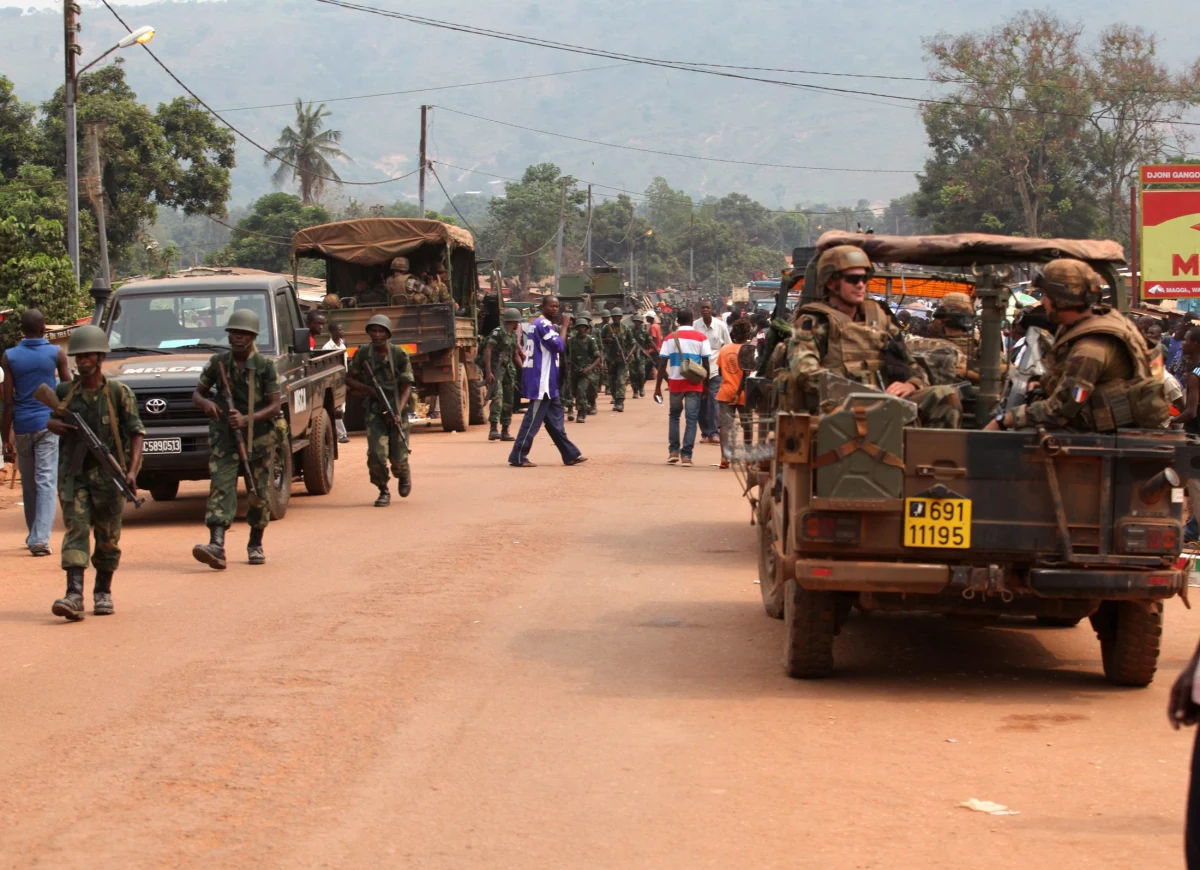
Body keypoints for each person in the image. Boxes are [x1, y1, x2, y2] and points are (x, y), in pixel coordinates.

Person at [782, 245, 961, 428]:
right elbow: (805, 373)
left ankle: (931, 455)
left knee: (945, 395)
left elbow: (912, 365)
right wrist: (865, 393)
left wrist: (911, 385)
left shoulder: (879, 319)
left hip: (887, 402)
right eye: (852, 279)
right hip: (840, 407)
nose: (860, 284)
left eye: (864, 278)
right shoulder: (814, 322)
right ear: (831, 283)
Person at [987, 259, 1169, 432]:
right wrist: (1043, 385)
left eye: (1046, 296)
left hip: (1096, 439)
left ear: (1060, 300)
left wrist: (1006, 419)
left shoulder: (1090, 350)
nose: (1043, 303)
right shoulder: (1086, 324)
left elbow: (1059, 411)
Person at [46, 326, 145, 620]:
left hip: (109, 476)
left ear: (100, 357)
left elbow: (137, 433)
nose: (82, 361)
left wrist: (131, 471)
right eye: (78, 356)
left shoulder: (118, 393)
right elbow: (51, 420)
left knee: (107, 537)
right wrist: (58, 427)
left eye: (88, 356)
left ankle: (103, 591)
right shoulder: (65, 391)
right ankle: (73, 594)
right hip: (74, 475)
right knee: (76, 529)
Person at [190, 309, 283, 569]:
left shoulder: (265, 367)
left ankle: (255, 542)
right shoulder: (218, 362)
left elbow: (275, 406)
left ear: (253, 336)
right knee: (221, 486)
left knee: (258, 490)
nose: (238, 337)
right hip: (225, 436)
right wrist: (207, 403)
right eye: (234, 332)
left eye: (244, 333)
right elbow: (197, 394)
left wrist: (246, 419)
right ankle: (217, 545)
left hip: (259, 436)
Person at [1, 309, 70, 556]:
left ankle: (35, 534)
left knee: (29, 484)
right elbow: (67, 390)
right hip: (48, 425)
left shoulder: (10, 356)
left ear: (22, 330)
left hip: (21, 426)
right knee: (46, 481)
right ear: (43, 330)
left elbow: (7, 400)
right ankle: (39, 538)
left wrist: (3, 438)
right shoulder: (56, 353)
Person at [507, 296, 585, 468]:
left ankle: (570, 454)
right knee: (532, 420)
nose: (555, 309)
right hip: (541, 381)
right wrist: (564, 326)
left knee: (555, 421)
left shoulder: (540, 325)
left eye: (557, 306)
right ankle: (518, 455)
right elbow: (559, 346)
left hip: (550, 383)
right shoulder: (542, 324)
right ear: (543, 307)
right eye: (552, 306)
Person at [345, 314, 415, 506]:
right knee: (376, 453)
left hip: (396, 406)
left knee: (399, 456)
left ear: (387, 333)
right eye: (373, 331)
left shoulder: (399, 354)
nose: (376, 335)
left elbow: (407, 385)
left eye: (380, 331)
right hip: (375, 410)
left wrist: (398, 412)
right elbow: (348, 378)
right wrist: (367, 389)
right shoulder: (363, 354)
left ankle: (403, 473)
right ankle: (383, 489)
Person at [654, 309, 713, 467]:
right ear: (692, 319)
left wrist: (658, 387)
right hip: (695, 383)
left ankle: (673, 452)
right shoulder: (701, 337)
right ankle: (686, 455)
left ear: (678, 321)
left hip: (675, 383)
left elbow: (661, 365)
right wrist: (706, 386)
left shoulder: (669, 338)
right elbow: (706, 363)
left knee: (674, 417)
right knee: (691, 419)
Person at [715, 319, 754, 470]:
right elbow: (746, 373)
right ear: (747, 333)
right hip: (744, 392)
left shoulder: (724, 349)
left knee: (725, 426)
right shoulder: (749, 349)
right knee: (747, 425)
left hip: (725, 391)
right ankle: (749, 458)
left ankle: (725, 457)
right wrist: (738, 392)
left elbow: (719, 372)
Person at [695, 299, 732, 444]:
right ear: (700, 310)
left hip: (715, 370)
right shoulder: (695, 325)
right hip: (698, 370)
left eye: (707, 308)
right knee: (701, 403)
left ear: (712, 310)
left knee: (714, 402)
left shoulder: (721, 326)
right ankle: (705, 432)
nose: (705, 310)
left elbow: (727, 346)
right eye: (703, 308)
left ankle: (714, 432)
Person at [483, 307, 522, 441]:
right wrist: (488, 372)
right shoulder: (498, 332)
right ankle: (493, 429)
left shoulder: (513, 335)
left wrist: (524, 369)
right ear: (513, 321)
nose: (518, 324)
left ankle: (505, 430)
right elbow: (488, 350)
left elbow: (515, 354)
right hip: (496, 371)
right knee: (498, 397)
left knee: (509, 400)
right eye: (518, 321)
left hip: (508, 372)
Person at [565, 314, 602, 423]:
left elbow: (597, 357)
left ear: (587, 328)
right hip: (573, 370)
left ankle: (581, 413)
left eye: (583, 327)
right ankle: (572, 409)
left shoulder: (591, 340)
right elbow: (566, 354)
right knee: (572, 392)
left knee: (581, 391)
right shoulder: (571, 341)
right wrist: (567, 366)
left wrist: (589, 369)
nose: (581, 329)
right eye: (579, 327)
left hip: (586, 370)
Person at [321, 322, 350, 443]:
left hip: (343, 378)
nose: (342, 332)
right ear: (332, 332)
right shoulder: (327, 347)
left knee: (342, 408)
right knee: (336, 409)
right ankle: (340, 435)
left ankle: (337, 434)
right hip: (334, 380)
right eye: (339, 330)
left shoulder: (343, 345)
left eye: (342, 329)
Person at [600, 308, 632, 411]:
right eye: (613, 316)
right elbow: (599, 340)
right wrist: (608, 340)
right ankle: (615, 398)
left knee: (621, 380)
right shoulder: (607, 328)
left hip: (622, 359)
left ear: (621, 317)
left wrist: (628, 355)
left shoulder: (626, 329)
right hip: (611, 359)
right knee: (612, 381)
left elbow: (633, 344)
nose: (615, 318)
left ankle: (620, 403)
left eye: (617, 316)